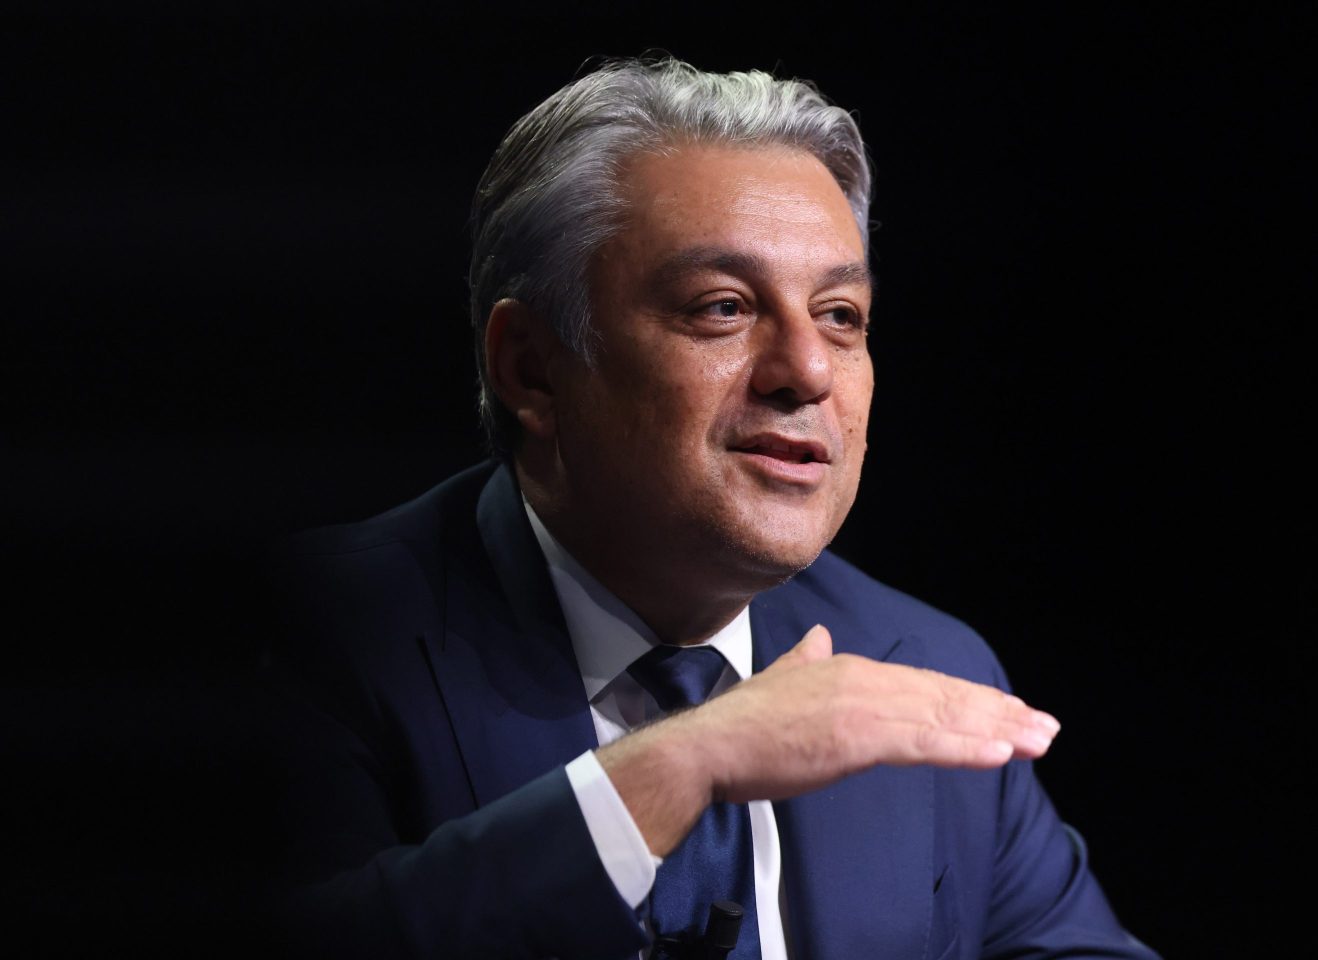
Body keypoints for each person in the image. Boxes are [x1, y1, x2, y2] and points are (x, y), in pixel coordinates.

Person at [269, 57, 1160, 960]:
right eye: (724, 307)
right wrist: (680, 766)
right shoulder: (319, 632)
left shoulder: (925, 667)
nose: (808, 371)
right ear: (533, 369)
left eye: (841, 315)